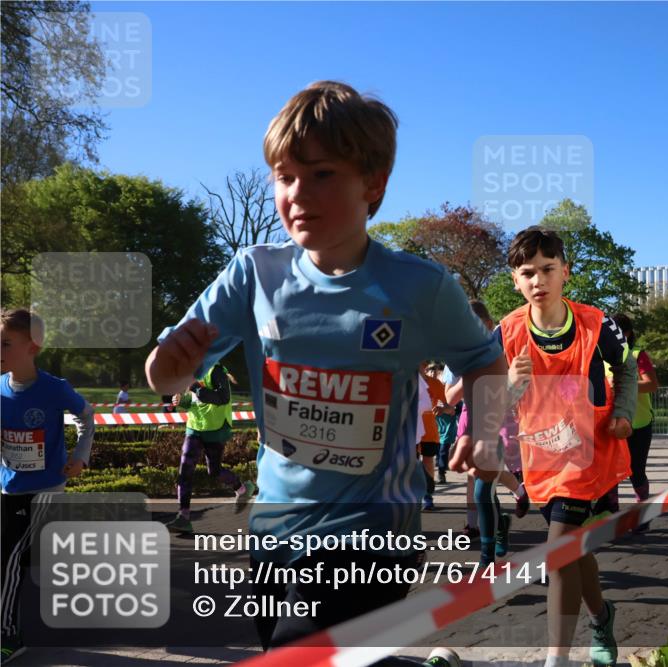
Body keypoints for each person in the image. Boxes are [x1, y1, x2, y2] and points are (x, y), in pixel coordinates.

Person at [145, 81, 506, 661]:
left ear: (374, 183)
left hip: (372, 534)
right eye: (284, 177)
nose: (297, 194)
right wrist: (169, 365)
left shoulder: (420, 287)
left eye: (322, 175)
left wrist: (485, 433)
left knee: (302, 658)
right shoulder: (253, 274)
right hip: (273, 528)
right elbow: (166, 377)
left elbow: (485, 359)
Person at [493, 227, 636, 667]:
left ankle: (556, 659)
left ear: (565, 273)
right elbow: (488, 396)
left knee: (557, 552)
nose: (538, 280)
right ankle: (601, 616)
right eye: (527, 272)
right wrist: (510, 386)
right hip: (540, 455)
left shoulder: (597, 321)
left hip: (587, 455)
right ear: (516, 280)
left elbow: (627, 368)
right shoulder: (506, 331)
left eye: (547, 269)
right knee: (575, 553)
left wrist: (624, 412)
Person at [1, 309, 95, 661]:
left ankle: (8, 634)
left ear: (33, 347)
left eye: (6, 343)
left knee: (7, 556)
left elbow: (87, 417)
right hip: (9, 486)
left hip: (45, 487)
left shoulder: (55, 390)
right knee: (23, 555)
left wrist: (80, 456)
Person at [445, 301, 527, 564]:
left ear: (489, 326)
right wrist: (468, 374)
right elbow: (449, 397)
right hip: (471, 422)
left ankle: (486, 555)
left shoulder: (505, 347)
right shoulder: (458, 352)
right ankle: (501, 522)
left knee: (482, 490)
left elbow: (517, 387)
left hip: (499, 420)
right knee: (481, 486)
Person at [165, 363, 256, 532]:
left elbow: (223, 398)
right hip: (194, 427)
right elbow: (192, 400)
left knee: (213, 471)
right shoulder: (188, 370)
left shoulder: (216, 371)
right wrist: (181, 401)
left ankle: (242, 488)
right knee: (185, 470)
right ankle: (183, 517)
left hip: (216, 429)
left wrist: (195, 387)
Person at [609, 313, 658, 533]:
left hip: (638, 423)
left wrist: (625, 383)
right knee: (610, 473)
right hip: (608, 425)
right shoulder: (601, 355)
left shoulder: (638, 354)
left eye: (615, 330)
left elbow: (651, 384)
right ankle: (612, 517)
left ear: (627, 333)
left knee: (636, 471)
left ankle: (642, 514)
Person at [417, 362, 452, 511]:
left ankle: (427, 496)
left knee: (428, 462)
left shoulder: (435, 384)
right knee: (410, 464)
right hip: (409, 430)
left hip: (429, 431)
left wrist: (443, 408)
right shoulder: (404, 381)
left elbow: (451, 408)